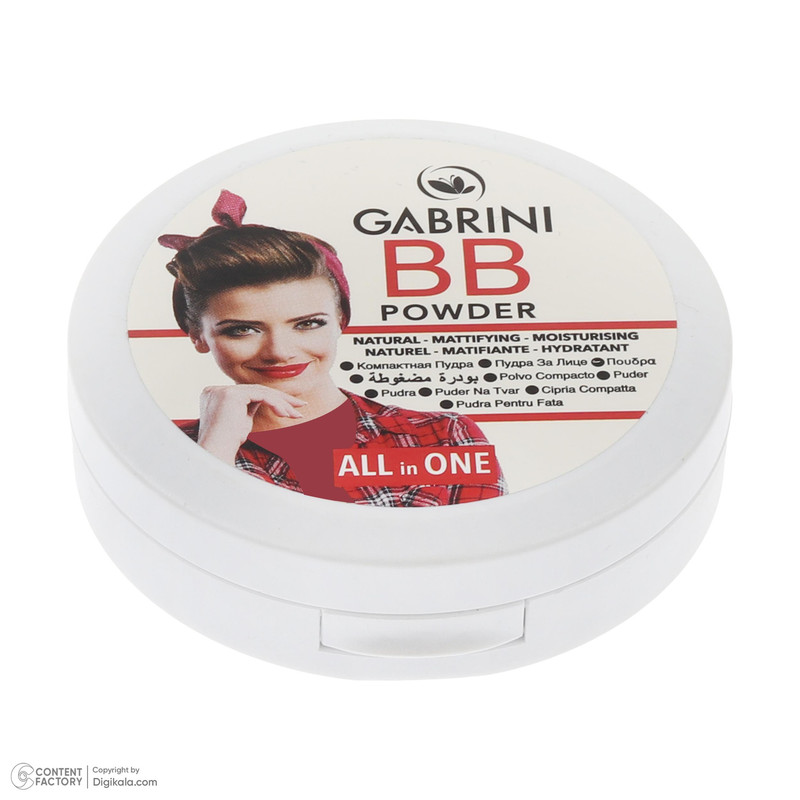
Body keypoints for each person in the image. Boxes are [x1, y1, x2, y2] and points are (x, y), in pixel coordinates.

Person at [159, 190, 507, 506]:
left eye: (307, 323)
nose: (279, 351)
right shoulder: (169, 447)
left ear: (341, 319)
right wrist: (215, 451)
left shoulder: (442, 436)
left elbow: (481, 547)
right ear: (197, 335)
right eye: (242, 330)